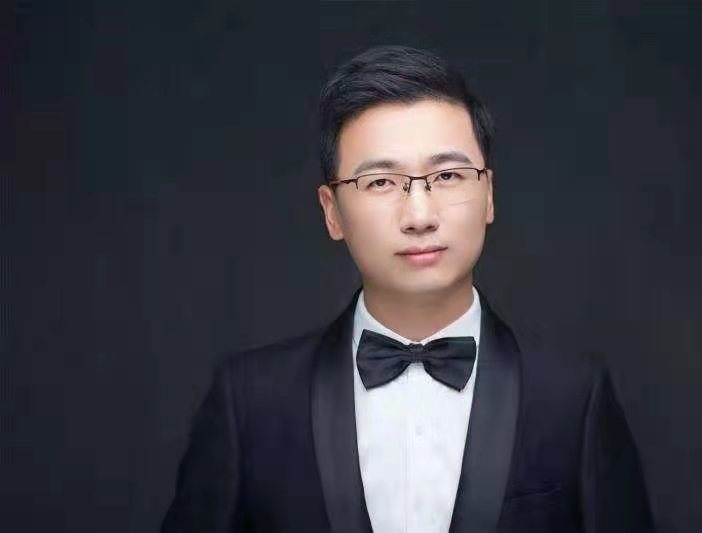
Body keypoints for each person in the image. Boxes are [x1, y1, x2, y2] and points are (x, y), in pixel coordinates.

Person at [161, 45, 653, 533]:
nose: (419, 216)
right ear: (332, 212)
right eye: (381, 182)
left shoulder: (574, 397)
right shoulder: (250, 402)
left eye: (448, 175)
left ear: (488, 194)